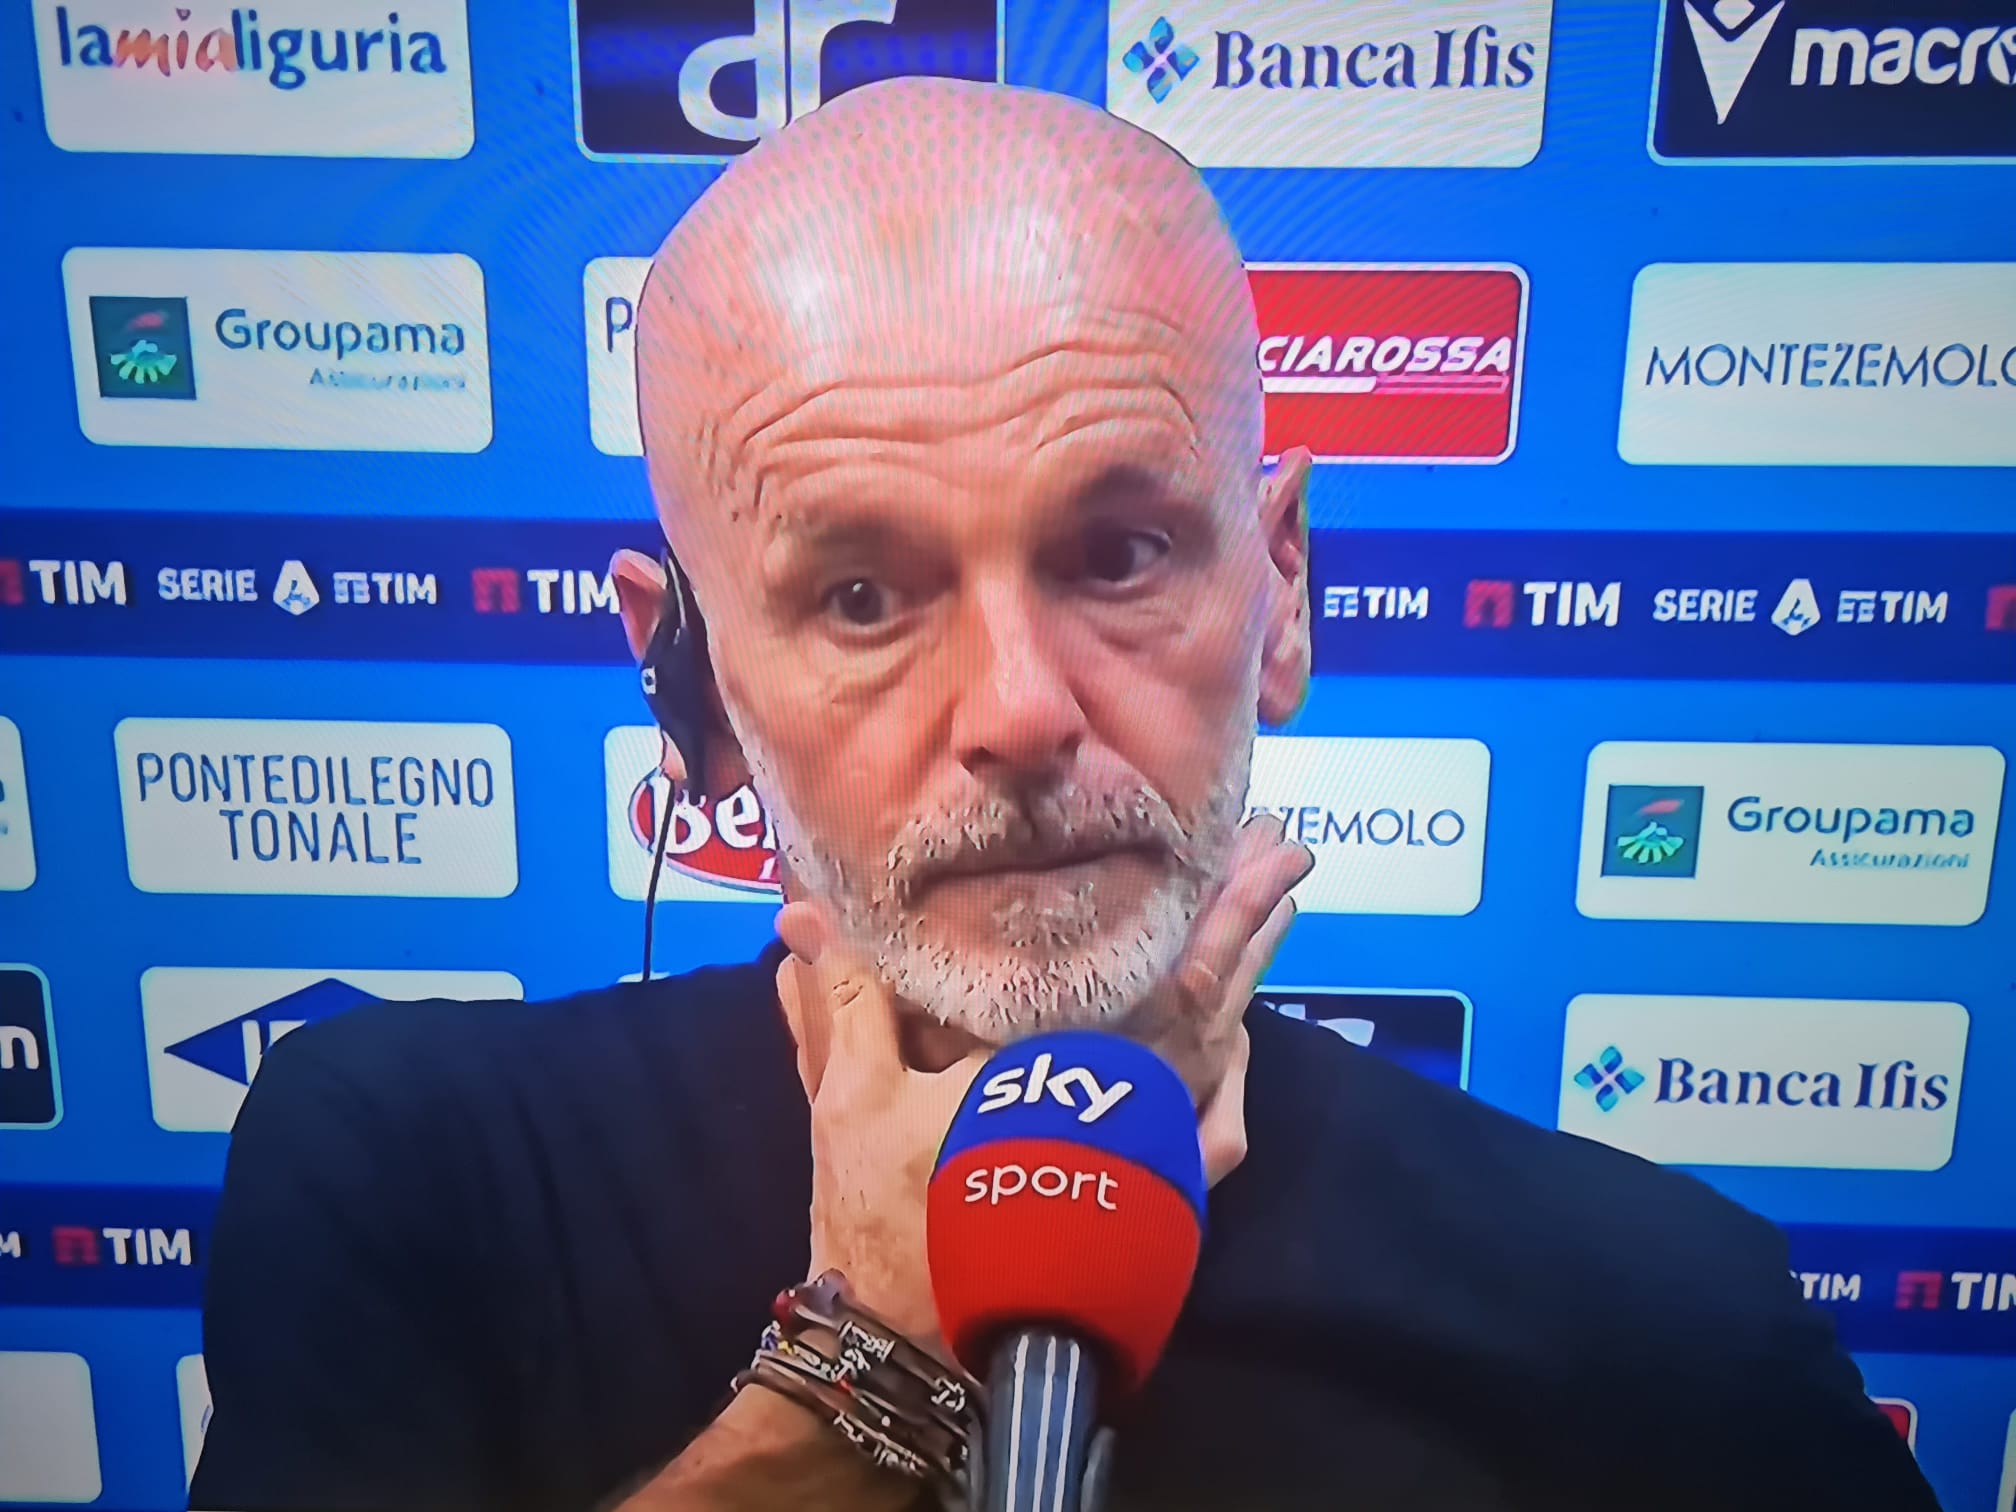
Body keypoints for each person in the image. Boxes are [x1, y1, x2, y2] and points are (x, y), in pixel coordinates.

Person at [190, 78, 1941, 1512]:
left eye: (1117, 554)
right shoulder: (413, 1179)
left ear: (1284, 590)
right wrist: (862, 1372)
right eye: (860, 596)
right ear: (695, 683)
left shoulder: (1658, 1316)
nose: (1021, 713)